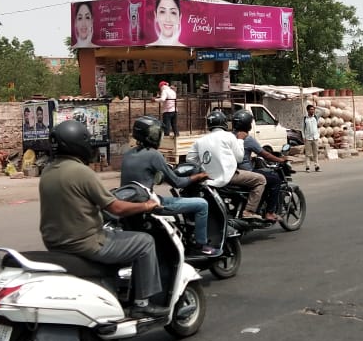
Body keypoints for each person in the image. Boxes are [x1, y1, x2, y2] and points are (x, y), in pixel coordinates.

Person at [39, 120, 169, 318]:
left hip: (55, 242)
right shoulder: (82, 172)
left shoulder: (47, 172)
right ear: (78, 144)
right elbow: (116, 208)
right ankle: (142, 304)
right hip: (86, 243)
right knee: (145, 242)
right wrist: (146, 205)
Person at [121, 116, 219, 256]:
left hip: (132, 202)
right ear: (151, 135)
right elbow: (178, 182)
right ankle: (200, 245)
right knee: (202, 204)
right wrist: (198, 176)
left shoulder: (127, 154)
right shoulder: (154, 155)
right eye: (156, 133)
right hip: (151, 203)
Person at [186, 110, 267, 220]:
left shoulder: (200, 140)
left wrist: (206, 166)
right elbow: (239, 158)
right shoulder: (229, 136)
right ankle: (249, 211)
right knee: (261, 179)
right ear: (224, 123)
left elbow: (190, 160)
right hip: (229, 177)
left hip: (209, 178)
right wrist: (240, 140)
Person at [232, 109, 287, 221]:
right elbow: (265, 154)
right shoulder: (247, 138)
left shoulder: (229, 136)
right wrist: (280, 160)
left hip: (232, 172)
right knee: (275, 180)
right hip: (246, 172)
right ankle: (270, 212)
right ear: (248, 125)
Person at [303, 104, 321, 172]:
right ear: (307, 110)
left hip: (315, 138)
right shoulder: (305, 118)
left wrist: (316, 107)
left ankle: (317, 166)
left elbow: (323, 111)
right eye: (311, 109)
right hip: (308, 138)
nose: (312, 111)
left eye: (313, 109)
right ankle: (307, 167)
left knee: (315, 153)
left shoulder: (316, 117)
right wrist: (303, 137)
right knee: (308, 154)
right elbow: (302, 128)